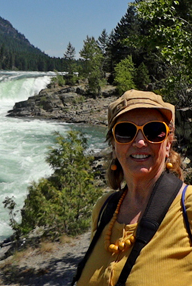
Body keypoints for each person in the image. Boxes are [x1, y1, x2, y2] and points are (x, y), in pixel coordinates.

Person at [76, 90, 192, 286]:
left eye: (154, 131)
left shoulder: (186, 206)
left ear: (168, 143)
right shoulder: (104, 209)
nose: (139, 142)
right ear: (113, 144)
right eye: (125, 132)